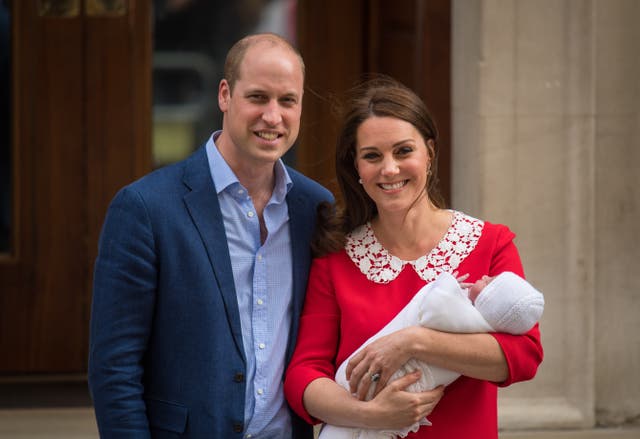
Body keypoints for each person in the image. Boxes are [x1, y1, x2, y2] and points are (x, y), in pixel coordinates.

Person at [88, 33, 333, 438]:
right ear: (224, 94)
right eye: (257, 97)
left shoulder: (315, 208)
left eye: (287, 101)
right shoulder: (146, 208)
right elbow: (114, 366)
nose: (273, 116)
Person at [283, 76, 544, 439]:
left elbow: (524, 357)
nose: (389, 169)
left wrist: (412, 342)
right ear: (356, 167)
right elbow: (303, 376)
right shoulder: (336, 259)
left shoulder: (490, 243)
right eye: (372, 156)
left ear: (430, 153)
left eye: (403, 151)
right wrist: (370, 415)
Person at [321, 270, 544, 439]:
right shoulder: (480, 326)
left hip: (388, 381)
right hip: (361, 401)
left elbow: (434, 310)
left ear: (490, 302)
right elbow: (306, 370)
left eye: (489, 283)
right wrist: (368, 414)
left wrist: (447, 282)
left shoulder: (467, 318)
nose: (484, 276)